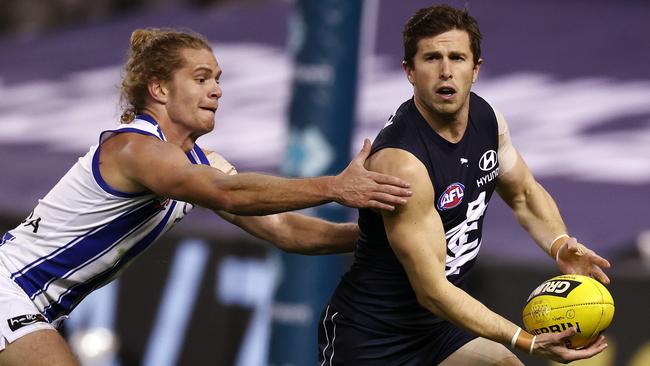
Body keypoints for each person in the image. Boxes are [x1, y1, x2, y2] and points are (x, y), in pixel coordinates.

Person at [0, 28, 413, 366]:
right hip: (9, 288)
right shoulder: (137, 149)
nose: (216, 90)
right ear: (159, 88)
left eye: (217, 79)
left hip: (35, 305)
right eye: (201, 79)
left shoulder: (195, 161)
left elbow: (286, 230)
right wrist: (334, 187)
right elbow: (227, 193)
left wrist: (377, 237)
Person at [318, 5, 612, 365]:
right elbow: (433, 291)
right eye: (431, 58)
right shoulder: (401, 162)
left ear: (475, 69)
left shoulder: (487, 119)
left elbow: (523, 193)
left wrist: (559, 244)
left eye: (457, 58)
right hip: (374, 337)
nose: (446, 71)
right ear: (409, 71)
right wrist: (526, 340)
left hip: (438, 326)